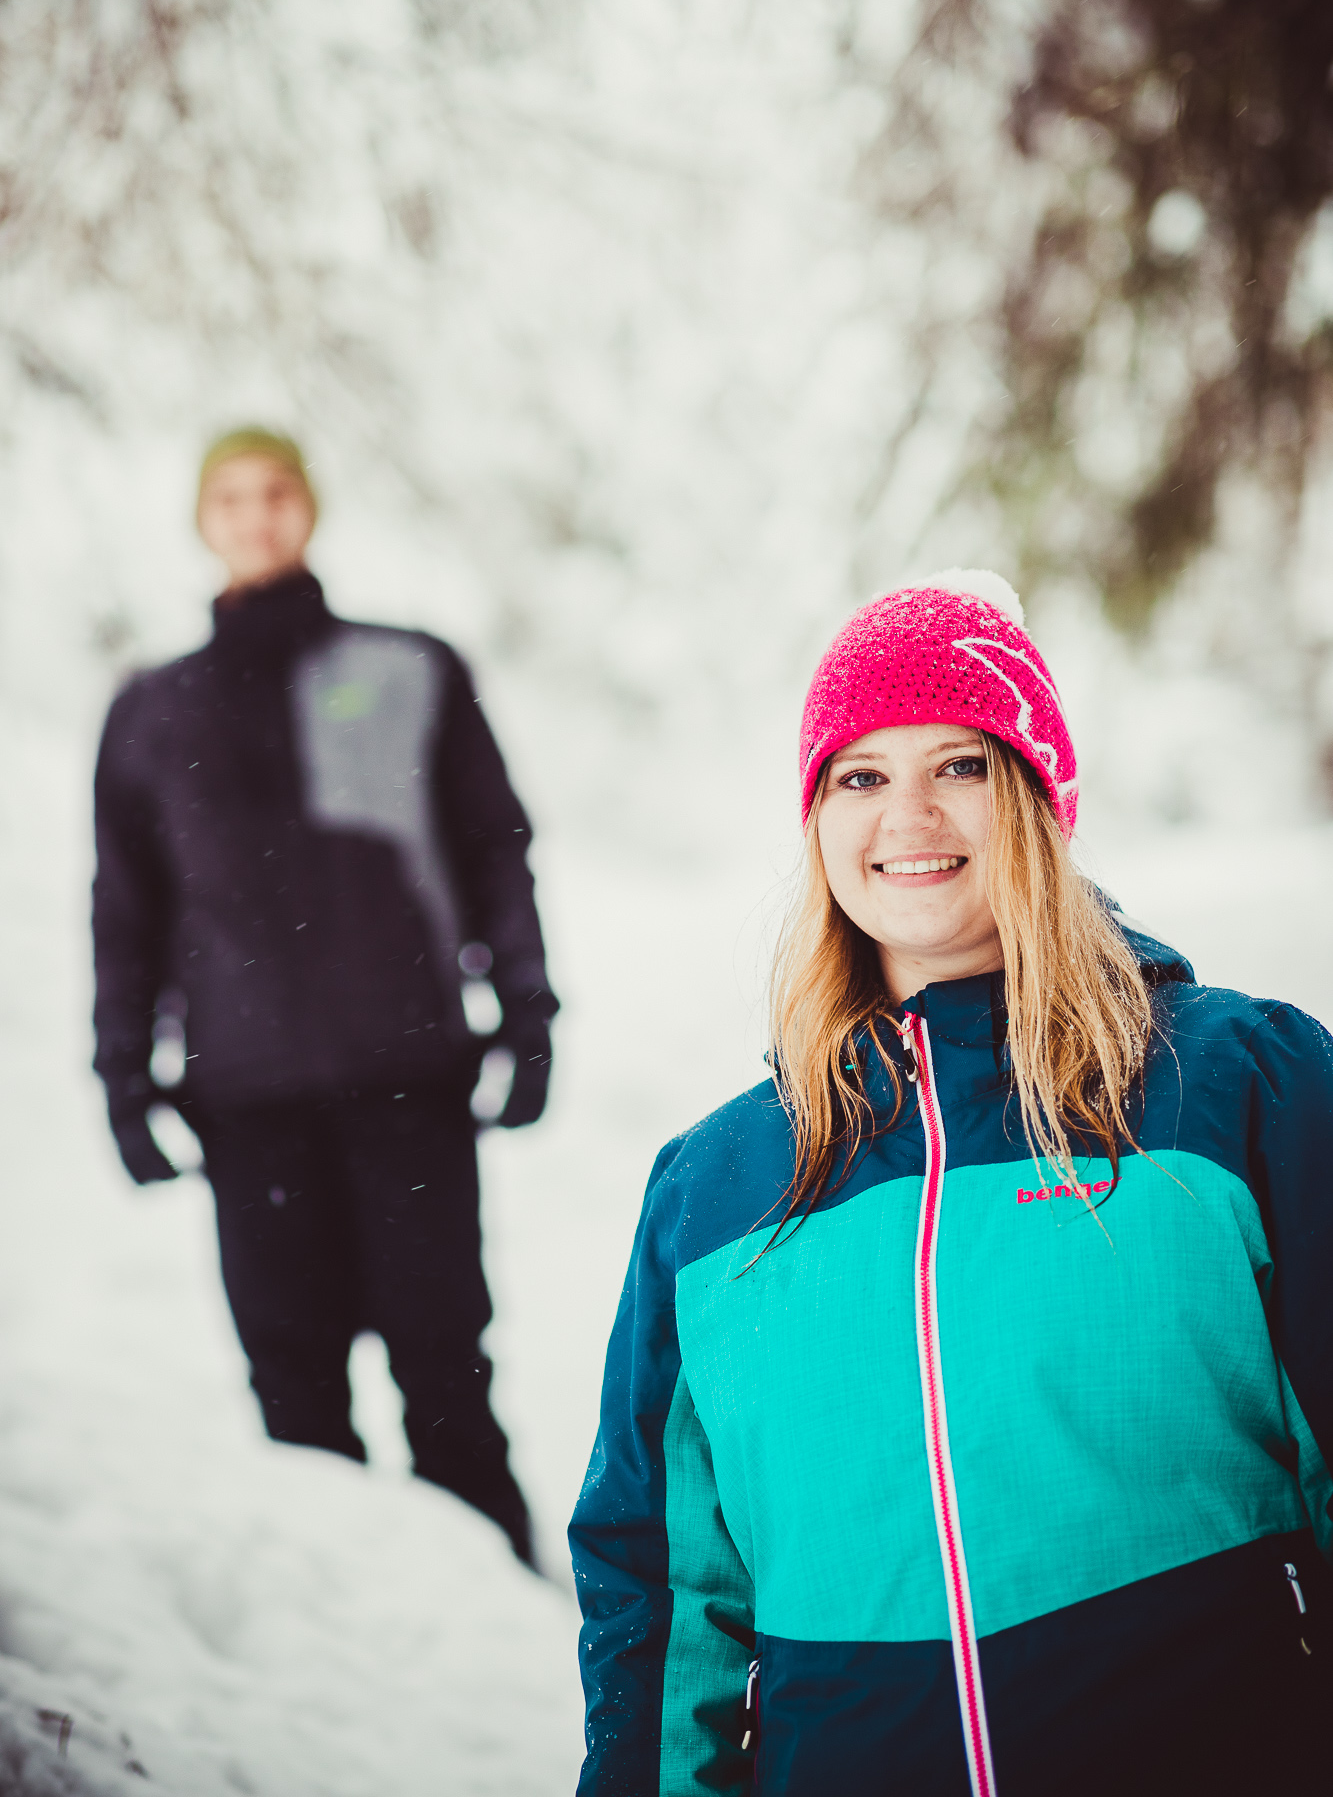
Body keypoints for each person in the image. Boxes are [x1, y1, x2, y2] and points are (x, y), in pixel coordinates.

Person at [570, 569, 1333, 1793]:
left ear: (1037, 796)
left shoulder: (1240, 1088)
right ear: (817, 821)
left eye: (959, 765)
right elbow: (659, 1585)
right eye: (860, 776)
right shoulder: (713, 1191)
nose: (907, 814)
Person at [93, 427, 556, 1565]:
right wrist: (119, 1075)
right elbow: (125, 907)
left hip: (410, 1081)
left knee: (445, 1370)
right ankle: (347, 1656)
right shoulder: (153, 709)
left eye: (277, 492)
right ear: (204, 520)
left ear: (310, 508)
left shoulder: (412, 667)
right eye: (231, 498)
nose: (255, 516)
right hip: (247, 1103)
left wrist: (530, 1011)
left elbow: (495, 848)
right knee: (293, 1395)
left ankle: (496, 1621)